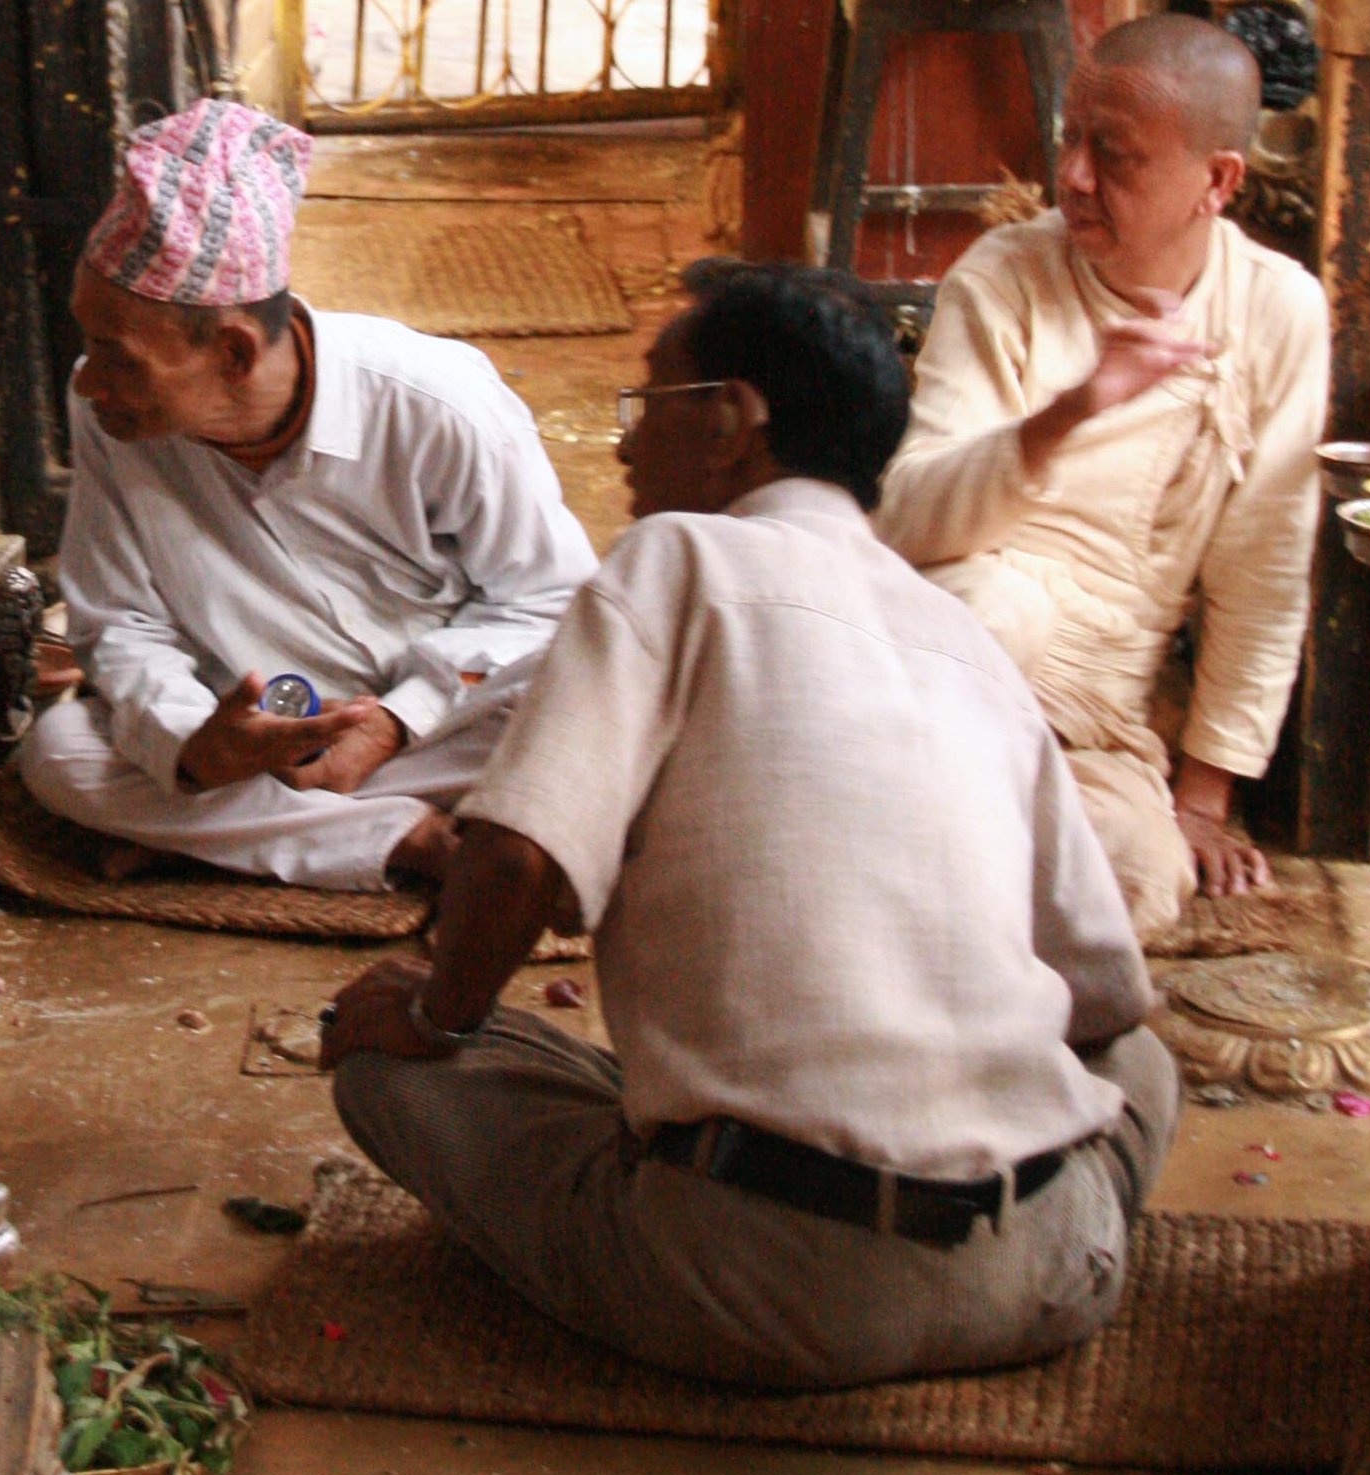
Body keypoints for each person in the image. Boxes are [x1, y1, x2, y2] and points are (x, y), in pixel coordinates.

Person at [321, 265, 1176, 1392]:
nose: (626, 450)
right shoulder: (959, 631)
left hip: (773, 1287)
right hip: (1059, 1270)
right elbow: (1105, 998)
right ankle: (998, 1238)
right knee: (1140, 1058)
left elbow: (517, 852)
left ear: (732, 421)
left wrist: (435, 1009)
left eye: (648, 405)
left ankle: (729, 1224)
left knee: (388, 1059)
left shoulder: (676, 557)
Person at [19, 98, 598, 893]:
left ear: (232, 352)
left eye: (115, 356)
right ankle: (405, 842)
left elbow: (550, 603)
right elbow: (121, 623)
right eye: (86, 344)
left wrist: (400, 720)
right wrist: (195, 746)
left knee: (600, 709)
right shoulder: (110, 417)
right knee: (60, 758)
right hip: (261, 743)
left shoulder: (436, 404)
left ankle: (243, 838)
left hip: (450, 722)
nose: (88, 381)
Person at [875, 13, 1327, 934]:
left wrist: (1202, 800)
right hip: (958, 644)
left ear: (1219, 180)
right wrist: (1069, 413)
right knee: (998, 615)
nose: (1074, 177)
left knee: (1135, 877)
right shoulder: (1004, 276)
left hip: (1101, 707)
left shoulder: (1279, 311)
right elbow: (905, 518)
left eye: (1114, 156)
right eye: (1069, 139)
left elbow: (1264, 572)